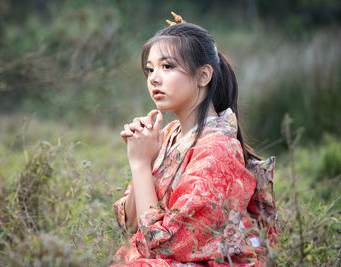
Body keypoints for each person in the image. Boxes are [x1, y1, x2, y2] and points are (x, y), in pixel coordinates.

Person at [112, 12, 278, 267]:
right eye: (150, 69)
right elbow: (133, 227)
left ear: (203, 76)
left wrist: (141, 165)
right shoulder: (168, 136)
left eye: (167, 67)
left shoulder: (218, 150)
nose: (154, 78)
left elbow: (164, 247)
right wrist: (142, 158)